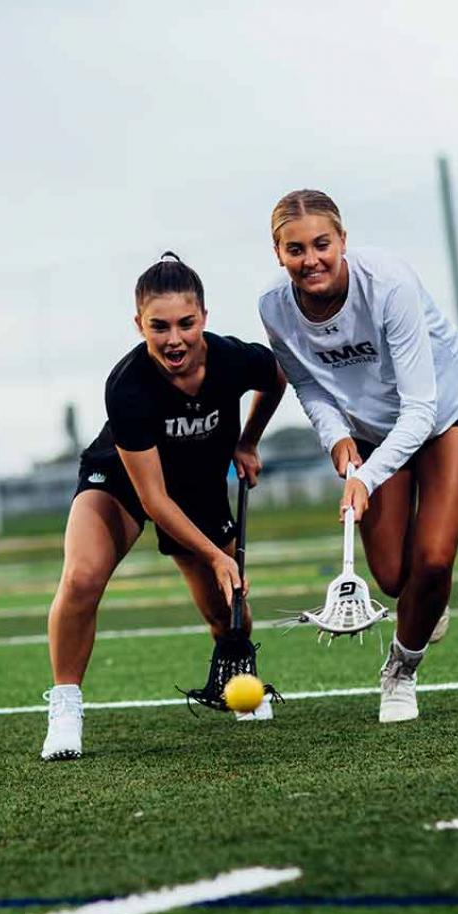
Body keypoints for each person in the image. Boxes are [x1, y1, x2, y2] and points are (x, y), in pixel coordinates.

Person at [41, 253, 287, 760]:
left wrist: (247, 441)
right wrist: (216, 554)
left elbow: (276, 378)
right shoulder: (128, 386)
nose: (174, 339)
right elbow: (152, 499)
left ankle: (238, 673)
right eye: (158, 326)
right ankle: (65, 705)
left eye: (185, 324)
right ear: (139, 325)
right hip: (124, 481)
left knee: (227, 613)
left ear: (204, 318)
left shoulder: (235, 359)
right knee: (82, 577)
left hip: (197, 484)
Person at [258, 190, 458, 725]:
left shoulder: (387, 284)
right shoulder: (273, 307)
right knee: (390, 575)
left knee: (432, 559)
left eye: (321, 244)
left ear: (342, 241)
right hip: (368, 423)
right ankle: (426, 601)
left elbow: (421, 408)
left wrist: (369, 476)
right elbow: (309, 386)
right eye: (296, 249)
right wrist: (336, 439)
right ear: (278, 252)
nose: (310, 259)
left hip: (447, 408)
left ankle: (401, 672)